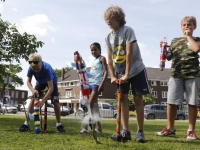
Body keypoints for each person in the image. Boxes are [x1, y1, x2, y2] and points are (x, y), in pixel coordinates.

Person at [104, 6, 150, 142]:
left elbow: (129, 54)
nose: (108, 20)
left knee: (137, 99)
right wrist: (112, 76)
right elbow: (109, 59)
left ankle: (140, 132)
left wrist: (128, 74)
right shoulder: (108, 37)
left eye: (110, 17)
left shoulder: (128, 31)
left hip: (136, 69)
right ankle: (125, 131)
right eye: (106, 18)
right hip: (120, 71)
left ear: (118, 18)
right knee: (123, 99)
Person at [156, 16, 200, 140]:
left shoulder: (196, 39)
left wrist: (188, 37)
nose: (187, 26)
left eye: (189, 24)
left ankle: (191, 131)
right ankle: (170, 129)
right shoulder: (175, 41)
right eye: (184, 25)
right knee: (171, 101)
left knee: (192, 102)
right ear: (181, 27)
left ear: (194, 27)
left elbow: (196, 49)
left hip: (193, 75)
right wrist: (164, 49)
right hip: (176, 75)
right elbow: (169, 57)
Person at [18, 53, 66, 133]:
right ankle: (26, 123)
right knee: (33, 99)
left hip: (52, 82)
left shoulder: (47, 69)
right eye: (34, 70)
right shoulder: (31, 68)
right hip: (40, 83)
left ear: (41, 63)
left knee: (55, 101)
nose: (36, 71)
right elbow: (28, 82)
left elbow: (51, 88)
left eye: (38, 69)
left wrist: (43, 101)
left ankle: (59, 125)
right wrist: (33, 90)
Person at [79, 42, 108, 134]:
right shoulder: (92, 61)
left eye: (95, 49)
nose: (93, 51)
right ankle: (99, 128)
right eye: (92, 50)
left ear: (100, 50)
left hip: (97, 84)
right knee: (94, 107)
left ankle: (85, 128)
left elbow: (106, 72)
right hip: (90, 84)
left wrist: (102, 84)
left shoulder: (102, 59)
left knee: (89, 104)